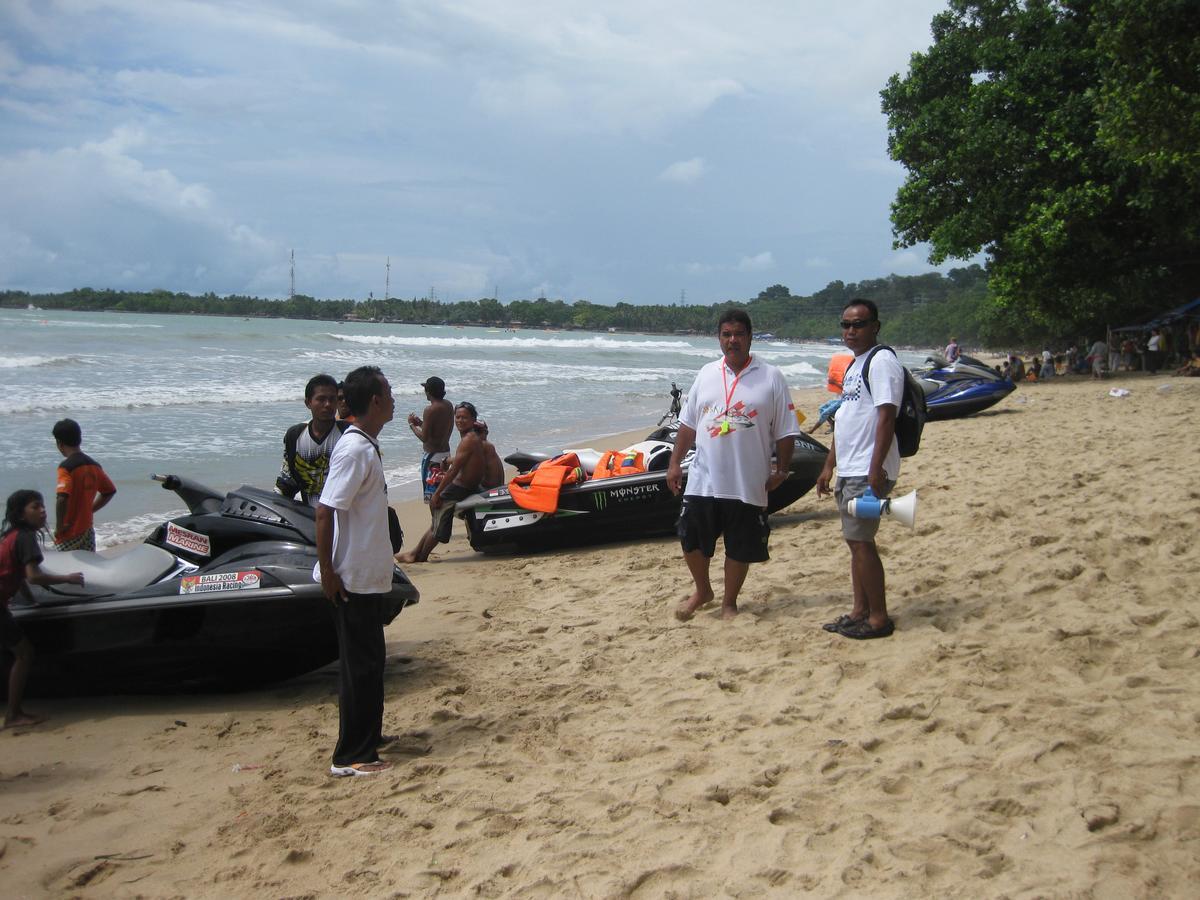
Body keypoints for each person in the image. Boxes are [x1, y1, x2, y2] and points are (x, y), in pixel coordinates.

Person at [666, 309, 799, 621]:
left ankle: (729, 603)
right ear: (719, 338)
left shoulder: (771, 377)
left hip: (747, 480)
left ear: (750, 337)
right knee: (691, 538)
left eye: (739, 334)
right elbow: (687, 425)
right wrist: (674, 464)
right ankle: (703, 590)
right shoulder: (706, 373)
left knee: (740, 546)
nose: (733, 340)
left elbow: (786, 430)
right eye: (727, 335)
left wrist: (781, 470)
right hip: (703, 478)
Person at [315, 366, 396, 777]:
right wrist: (328, 572)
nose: (395, 399)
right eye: (390, 392)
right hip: (350, 578)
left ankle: (371, 737)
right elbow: (326, 511)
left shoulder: (365, 445)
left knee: (371, 662)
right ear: (376, 402)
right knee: (358, 666)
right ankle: (350, 757)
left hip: (368, 575)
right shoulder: (354, 450)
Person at [815, 299, 905, 640]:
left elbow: (886, 416)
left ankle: (878, 618)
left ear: (875, 327)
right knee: (856, 542)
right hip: (850, 469)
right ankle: (859, 610)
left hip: (867, 470)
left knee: (862, 542)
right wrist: (828, 466)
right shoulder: (855, 365)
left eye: (859, 324)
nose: (850, 331)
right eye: (846, 325)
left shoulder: (882, 362)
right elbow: (846, 419)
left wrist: (875, 467)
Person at [2, 490, 84, 729]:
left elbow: (18, 577)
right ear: (20, 513)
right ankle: (13, 715)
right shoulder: (26, 538)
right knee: (24, 653)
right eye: (35, 507)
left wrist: (31, 603)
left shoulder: (11, 535)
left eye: (42, 506)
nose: (43, 511)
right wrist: (67, 578)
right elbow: (34, 576)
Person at [397, 401, 486, 564]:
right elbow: (461, 462)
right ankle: (415, 552)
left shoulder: (468, 440)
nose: (460, 421)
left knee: (437, 513)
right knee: (435, 520)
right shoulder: (471, 437)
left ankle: (420, 556)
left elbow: (453, 471)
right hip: (467, 485)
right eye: (457, 417)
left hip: (462, 488)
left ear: (473, 419)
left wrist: (437, 494)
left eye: (464, 418)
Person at [277, 374, 346, 506]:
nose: (328, 404)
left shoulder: (348, 434)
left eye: (332, 399)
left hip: (344, 518)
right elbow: (287, 482)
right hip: (309, 518)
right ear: (308, 402)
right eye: (321, 399)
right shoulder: (295, 436)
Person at [51, 418, 116, 552]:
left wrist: (59, 526)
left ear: (59, 443)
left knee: (64, 568)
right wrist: (89, 510)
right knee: (87, 567)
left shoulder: (66, 468)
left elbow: (62, 498)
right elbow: (109, 491)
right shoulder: (94, 465)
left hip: (69, 532)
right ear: (79, 439)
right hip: (87, 530)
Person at [407, 376, 454, 503]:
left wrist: (411, 425)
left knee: (432, 495)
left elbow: (425, 437)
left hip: (432, 458)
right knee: (442, 492)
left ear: (429, 391)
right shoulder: (448, 405)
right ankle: (440, 520)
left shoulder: (430, 409)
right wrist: (420, 423)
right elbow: (437, 430)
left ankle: (436, 521)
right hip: (445, 454)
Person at [476, 420, 505, 490]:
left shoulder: (481, 445)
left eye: (478, 431)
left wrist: (446, 461)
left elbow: (461, 463)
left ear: (486, 433)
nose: (475, 434)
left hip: (488, 489)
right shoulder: (488, 446)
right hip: (497, 487)